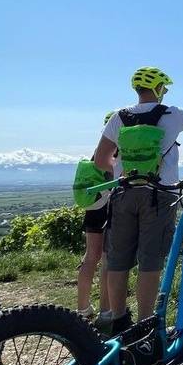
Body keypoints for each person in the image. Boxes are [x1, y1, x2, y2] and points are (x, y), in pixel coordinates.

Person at [92, 67, 183, 333]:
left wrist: (121, 170)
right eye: (164, 88)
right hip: (159, 196)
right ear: (158, 88)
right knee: (151, 261)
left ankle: (119, 320)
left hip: (122, 194)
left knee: (118, 259)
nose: (166, 92)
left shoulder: (118, 117)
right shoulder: (172, 114)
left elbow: (100, 159)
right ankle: (146, 327)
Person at [76, 111, 115, 328]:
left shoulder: (99, 150)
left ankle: (82, 308)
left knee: (91, 256)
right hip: (109, 206)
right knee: (109, 258)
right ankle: (106, 311)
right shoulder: (117, 150)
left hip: (93, 205)